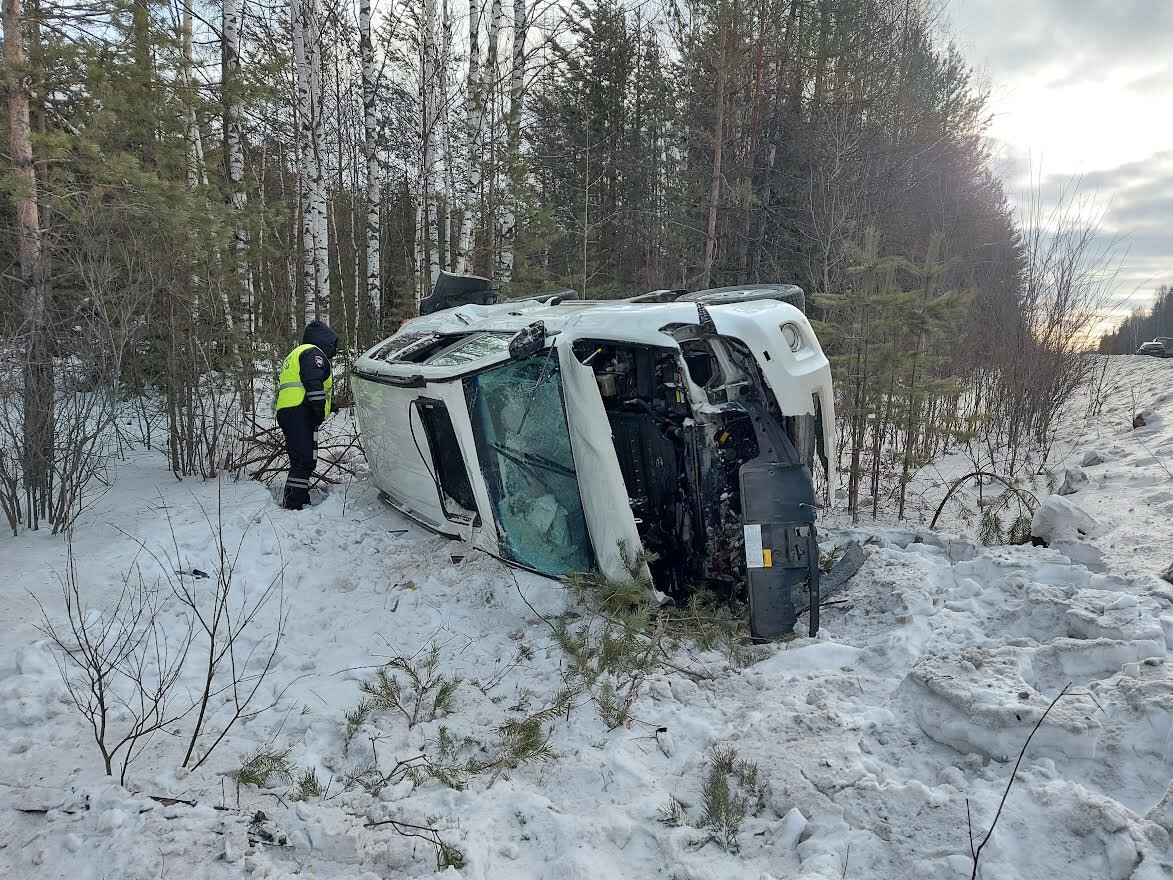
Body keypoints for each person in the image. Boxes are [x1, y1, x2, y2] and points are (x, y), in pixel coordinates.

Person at [275, 319, 338, 510]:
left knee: (303, 459)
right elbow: (313, 383)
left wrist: (329, 406)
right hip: (301, 411)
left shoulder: (298, 352)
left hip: (291, 410)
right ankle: (294, 504)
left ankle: (299, 498)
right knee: (304, 459)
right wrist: (319, 410)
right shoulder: (313, 353)